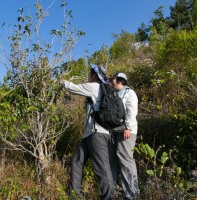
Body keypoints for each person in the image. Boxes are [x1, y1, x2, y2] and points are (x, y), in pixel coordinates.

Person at [60, 63, 115, 200]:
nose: (88, 76)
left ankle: (109, 197)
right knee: (77, 161)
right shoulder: (106, 89)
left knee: (101, 168)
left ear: (94, 75)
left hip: (97, 134)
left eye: (89, 74)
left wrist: (62, 82)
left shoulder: (94, 87)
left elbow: (73, 88)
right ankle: (75, 195)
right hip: (92, 133)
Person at [109, 72, 140, 199]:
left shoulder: (129, 93)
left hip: (127, 131)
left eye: (113, 79)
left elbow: (132, 111)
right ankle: (114, 192)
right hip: (115, 131)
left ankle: (132, 193)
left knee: (126, 159)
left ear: (120, 81)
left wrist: (128, 127)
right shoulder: (115, 93)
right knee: (114, 160)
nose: (111, 81)